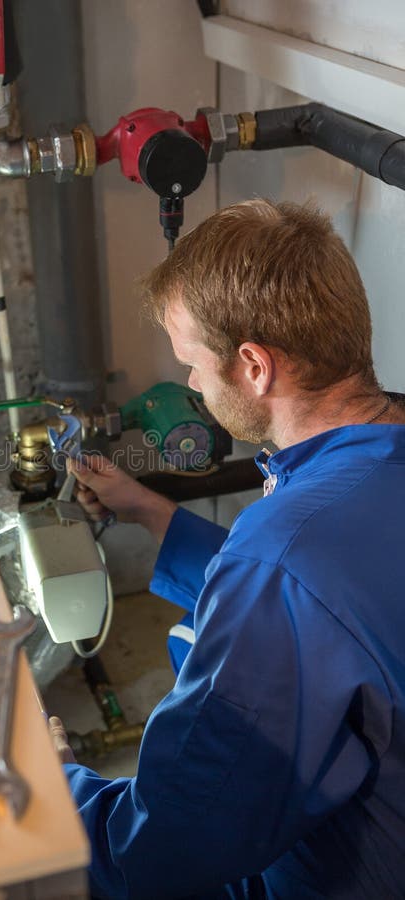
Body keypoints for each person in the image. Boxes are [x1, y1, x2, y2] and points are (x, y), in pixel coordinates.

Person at [48, 199, 405, 899]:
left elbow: (172, 843)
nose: (190, 385)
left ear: (253, 366)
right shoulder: (371, 465)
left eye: (193, 363)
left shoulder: (284, 561)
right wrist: (152, 513)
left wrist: (56, 786)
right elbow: (337, 606)